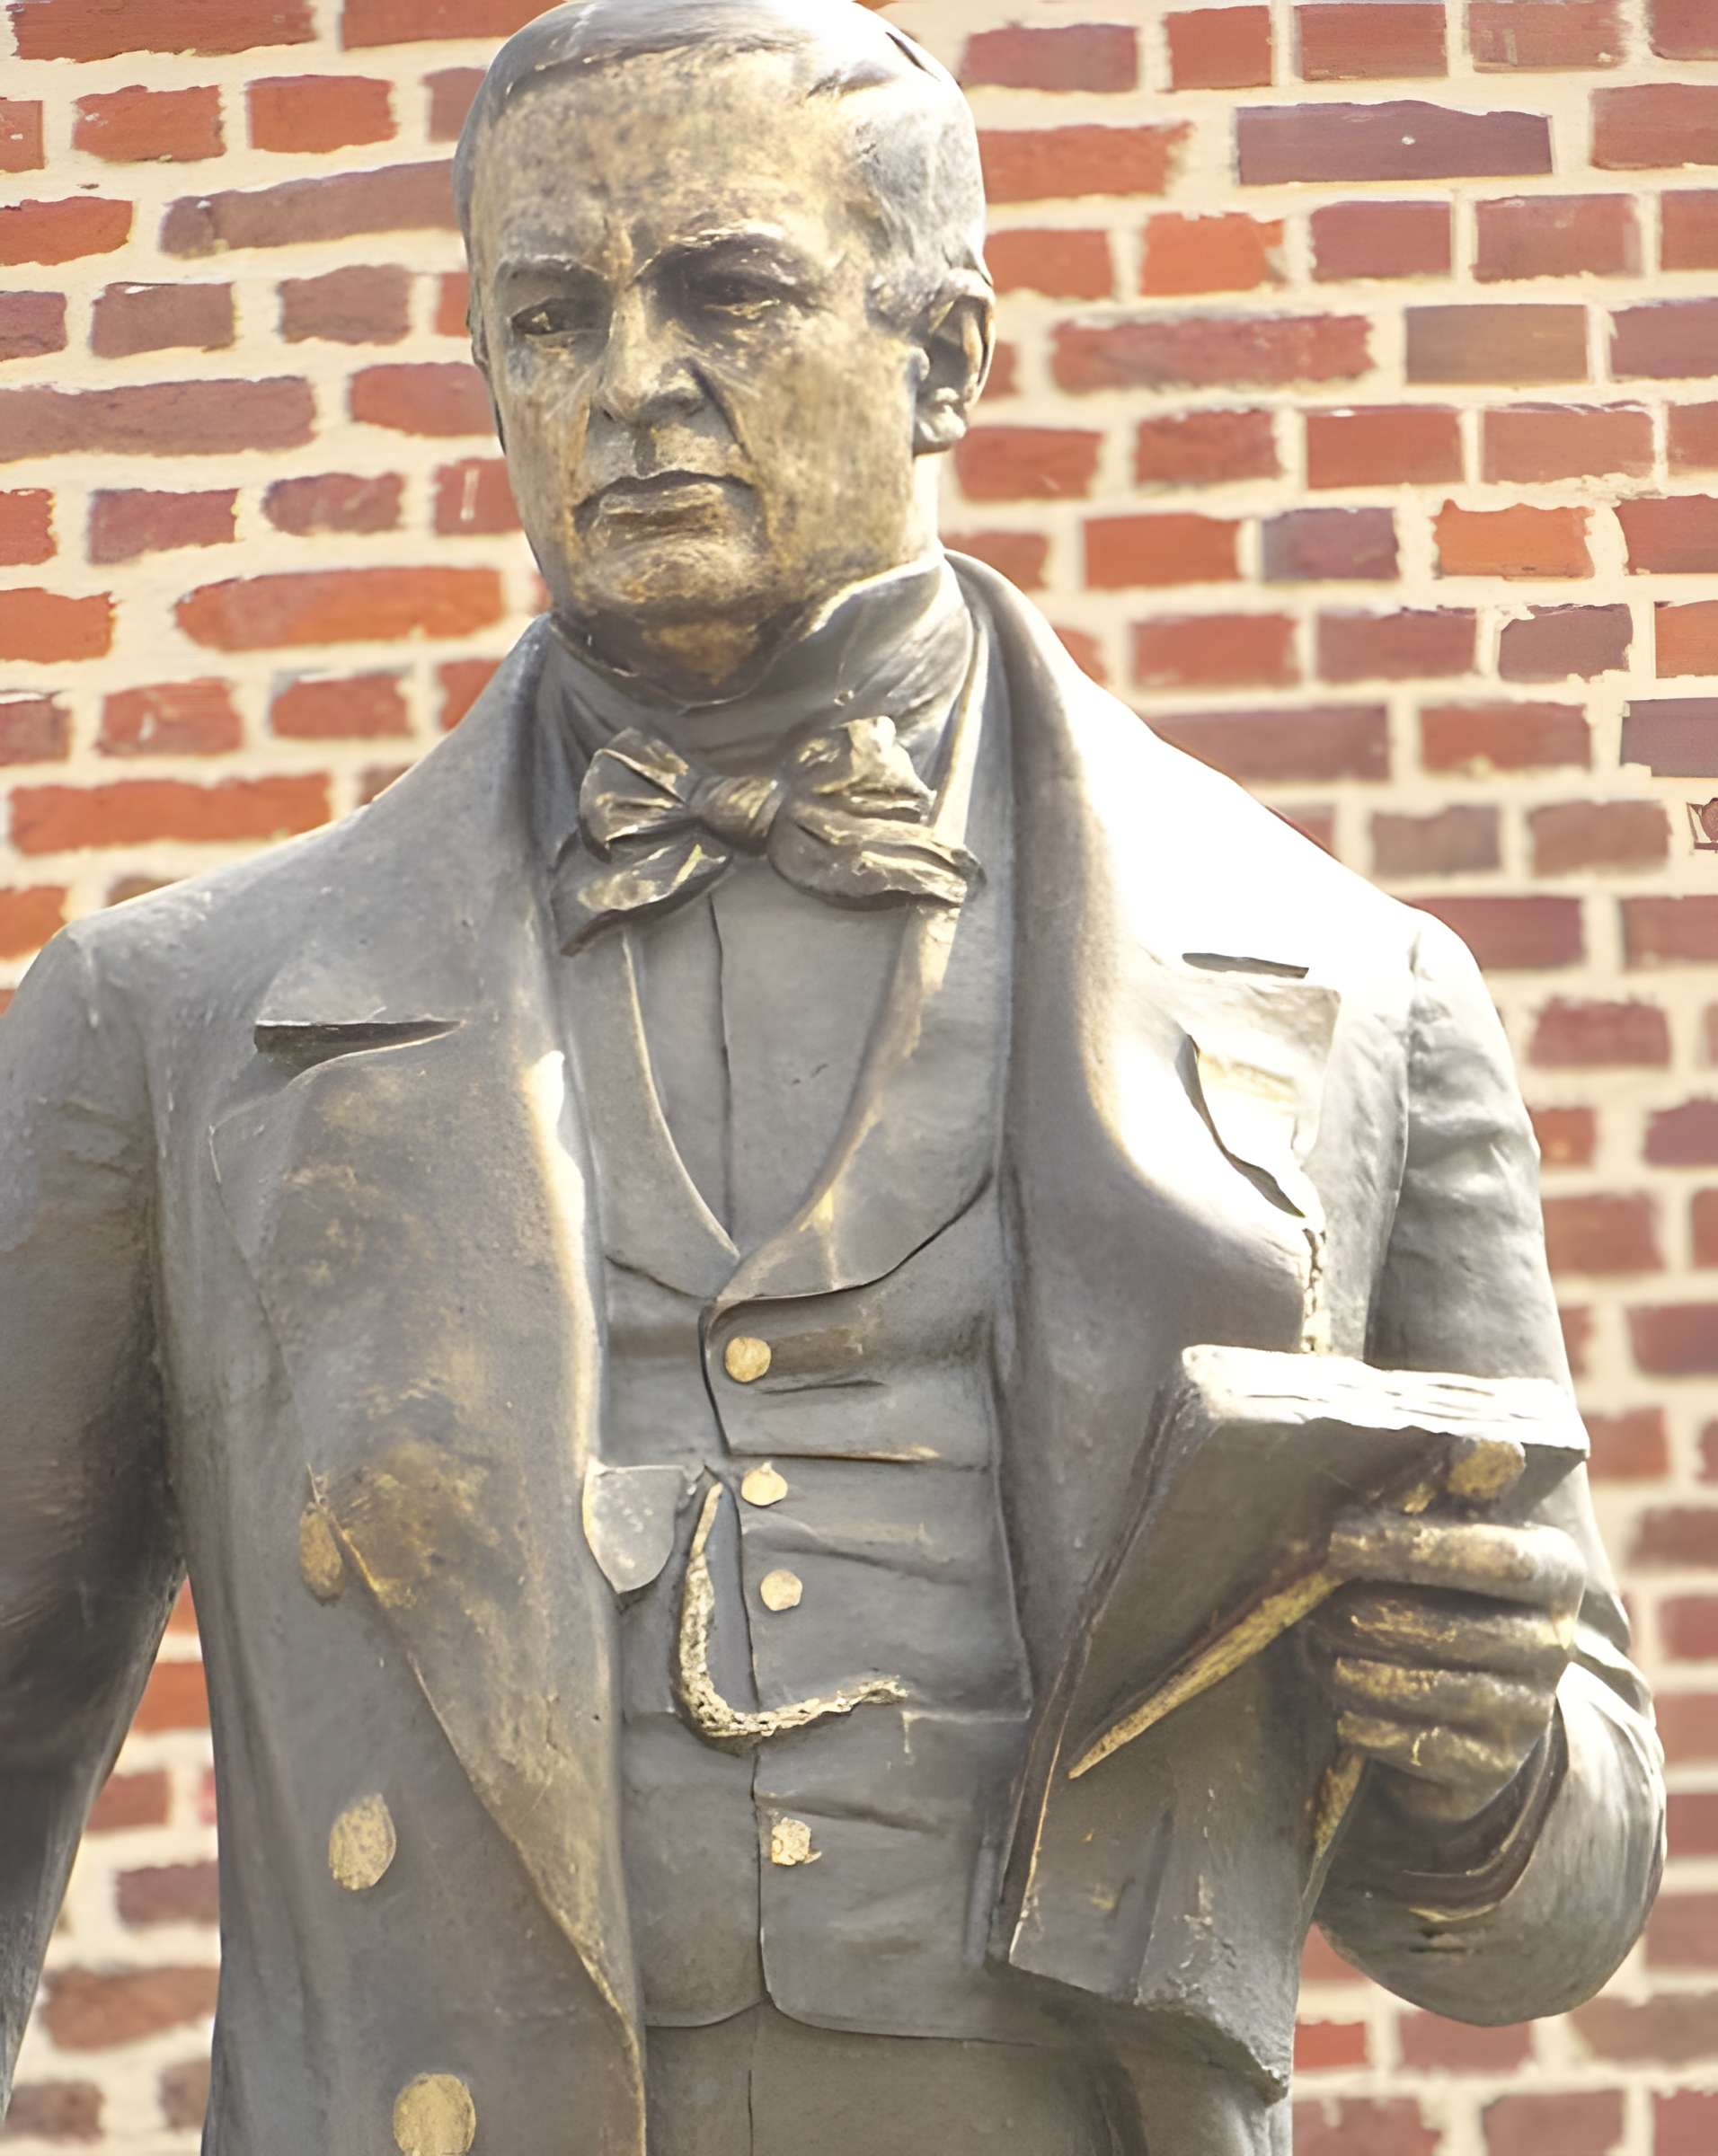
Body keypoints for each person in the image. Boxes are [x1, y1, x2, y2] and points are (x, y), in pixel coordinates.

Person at [0, 5, 1662, 2151]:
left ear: (942, 356)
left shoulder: (1356, 997)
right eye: (549, 317)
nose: (629, 383)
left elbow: (1547, 1913)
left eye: (727, 293)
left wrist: (1479, 1753)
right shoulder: (168, 1022)